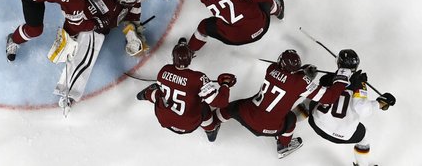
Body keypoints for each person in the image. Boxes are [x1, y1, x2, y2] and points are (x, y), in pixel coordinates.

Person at [215, 49, 362, 158]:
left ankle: (213, 122)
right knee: (291, 119)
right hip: (268, 127)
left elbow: (287, 78)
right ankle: (283, 147)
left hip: (248, 114)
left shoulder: (271, 68)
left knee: (232, 107)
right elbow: (329, 98)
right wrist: (342, 78)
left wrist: (303, 73)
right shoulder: (301, 83)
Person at [51, 0, 147, 112]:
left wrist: (132, 33)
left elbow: (135, 4)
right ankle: (68, 92)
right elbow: (79, 19)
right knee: (85, 56)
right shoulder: (103, 2)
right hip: (88, 26)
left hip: (91, 19)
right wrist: (97, 25)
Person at [296, 49, 396, 166]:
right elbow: (363, 109)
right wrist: (380, 103)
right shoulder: (359, 84)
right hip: (344, 136)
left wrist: (307, 75)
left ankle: (286, 125)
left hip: (317, 125)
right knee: (365, 137)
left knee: (312, 99)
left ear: (338, 63)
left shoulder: (329, 78)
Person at [136, 38, 237, 142]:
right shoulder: (199, 78)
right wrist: (225, 85)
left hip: (165, 120)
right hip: (188, 125)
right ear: (191, 58)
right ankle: (210, 130)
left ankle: (144, 95)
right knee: (204, 107)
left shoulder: (164, 70)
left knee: (159, 93)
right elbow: (220, 102)